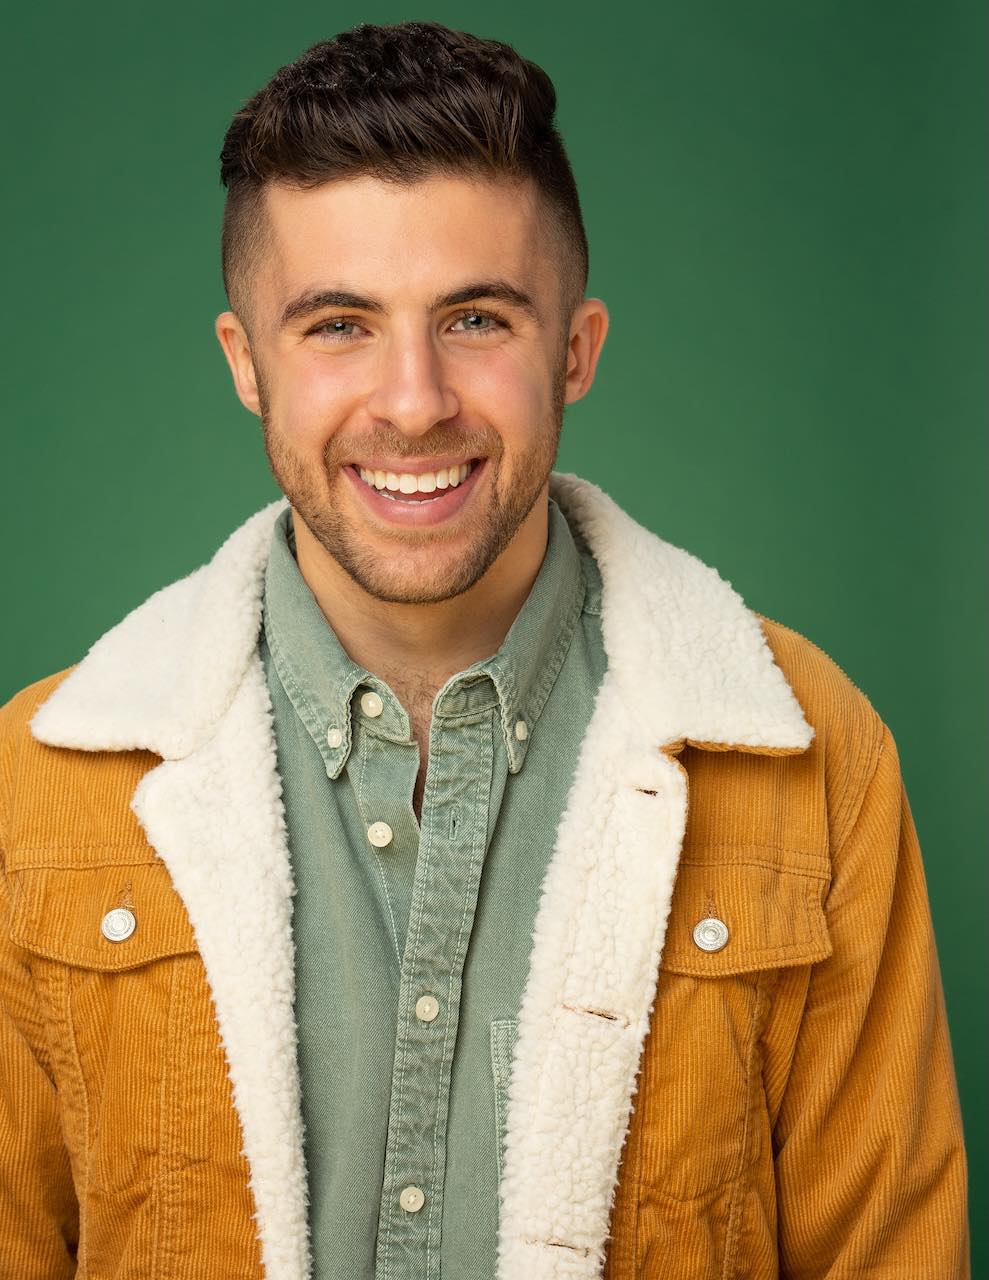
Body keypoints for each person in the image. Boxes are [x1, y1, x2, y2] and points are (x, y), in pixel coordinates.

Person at [0, 20, 969, 1280]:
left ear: (575, 348)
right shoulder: (38, 786)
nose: (412, 401)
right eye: (337, 324)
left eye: (473, 318)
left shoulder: (811, 753)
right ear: (246, 364)